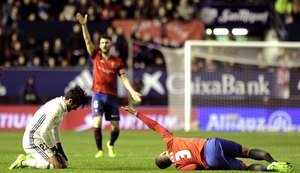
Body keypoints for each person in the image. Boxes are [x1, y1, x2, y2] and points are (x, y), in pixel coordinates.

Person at [121, 106, 293, 172]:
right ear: (164, 153)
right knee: (247, 151)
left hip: (210, 159)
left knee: (247, 167)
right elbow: (155, 125)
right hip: (211, 143)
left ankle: (271, 170)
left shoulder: (179, 167)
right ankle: (274, 161)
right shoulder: (170, 141)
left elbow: (195, 167)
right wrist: (136, 113)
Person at [76, 13, 142, 158]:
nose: (104, 45)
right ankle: (99, 150)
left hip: (112, 96)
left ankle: (110, 144)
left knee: (115, 127)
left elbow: (123, 78)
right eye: (102, 43)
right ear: (99, 45)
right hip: (98, 94)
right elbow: (87, 41)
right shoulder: (95, 55)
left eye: (107, 43)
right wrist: (84, 25)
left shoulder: (117, 61)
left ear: (110, 44)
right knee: (97, 122)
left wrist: (132, 92)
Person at [9, 85, 90, 170]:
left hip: (40, 139)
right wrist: (53, 149)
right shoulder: (56, 108)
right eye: (76, 106)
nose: (76, 109)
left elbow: (56, 128)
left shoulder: (62, 105)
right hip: (32, 139)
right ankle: (24, 161)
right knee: (56, 166)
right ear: (70, 101)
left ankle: (38, 159)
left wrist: (59, 147)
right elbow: (43, 132)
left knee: (64, 164)